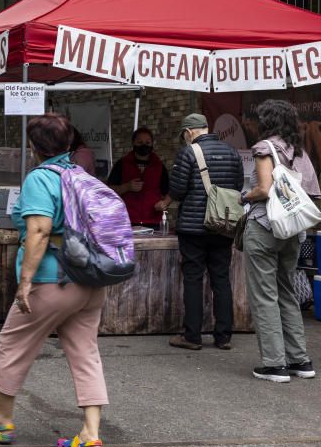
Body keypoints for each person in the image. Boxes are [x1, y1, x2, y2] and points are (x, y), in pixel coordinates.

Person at [0, 113, 108, 447]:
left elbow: (40, 231)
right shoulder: (80, 175)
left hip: (54, 279)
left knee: (13, 341)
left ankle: (0, 420)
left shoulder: (40, 178)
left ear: (33, 147)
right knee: (85, 352)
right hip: (92, 278)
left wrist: (24, 283)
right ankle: (90, 435)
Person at [241, 99, 318, 383]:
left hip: (264, 227)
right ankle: (300, 360)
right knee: (286, 293)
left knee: (264, 295)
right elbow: (314, 195)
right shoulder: (300, 152)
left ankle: (274, 365)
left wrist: (243, 197)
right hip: (292, 232)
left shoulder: (265, 148)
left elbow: (263, 188)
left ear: (267, 122)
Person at [166, 114, 243, 351]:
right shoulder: (232, 152)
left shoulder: (188, 153)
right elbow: (238, 186)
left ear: (189, 131)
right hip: (223, 224)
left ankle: (192, 336)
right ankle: (223, 336)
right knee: (221, 278)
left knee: (193, 279)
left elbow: (177, 192)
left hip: (193, 227)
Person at [107, 127, 170, 228]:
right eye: (140, 142)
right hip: (127, 220)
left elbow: (169, 192)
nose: (144, 145)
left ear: (152, 144)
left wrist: (164, 203)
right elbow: (109, 190)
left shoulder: (159, 166)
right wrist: (127, 187)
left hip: (153, 221)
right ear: (133, 143)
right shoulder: (122, 164)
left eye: (148, 142)